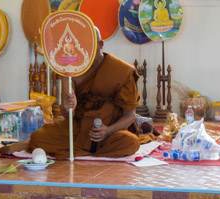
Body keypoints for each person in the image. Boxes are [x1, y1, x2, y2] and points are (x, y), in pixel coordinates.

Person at [27, 28, 141, 159]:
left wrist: (108, 130)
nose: (86, 50)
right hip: (78, 129)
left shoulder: (122, 71)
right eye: (83, 45)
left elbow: (130, 116)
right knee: (37, 138)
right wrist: (69, 106)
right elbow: (67, 113)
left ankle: (79, 152)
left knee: (130, 142)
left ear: (101, 45)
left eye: (90, 45)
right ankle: (89, 153)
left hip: (109, 131)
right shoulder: (72, 71)